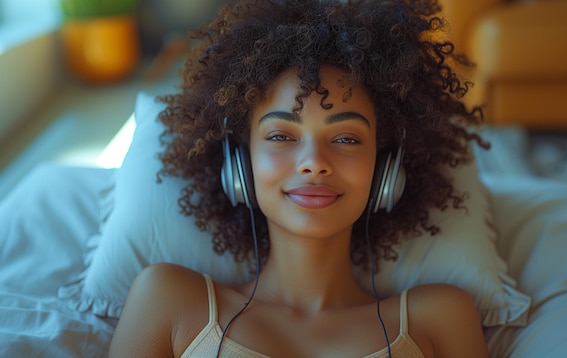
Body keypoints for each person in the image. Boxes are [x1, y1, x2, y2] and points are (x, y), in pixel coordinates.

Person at [109, 0, 490, 356]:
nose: (313, 163)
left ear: (386, 169)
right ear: (240, 164)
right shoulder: (168, 299)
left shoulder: (440, 316)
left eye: (345, 138)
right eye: (280, 136)